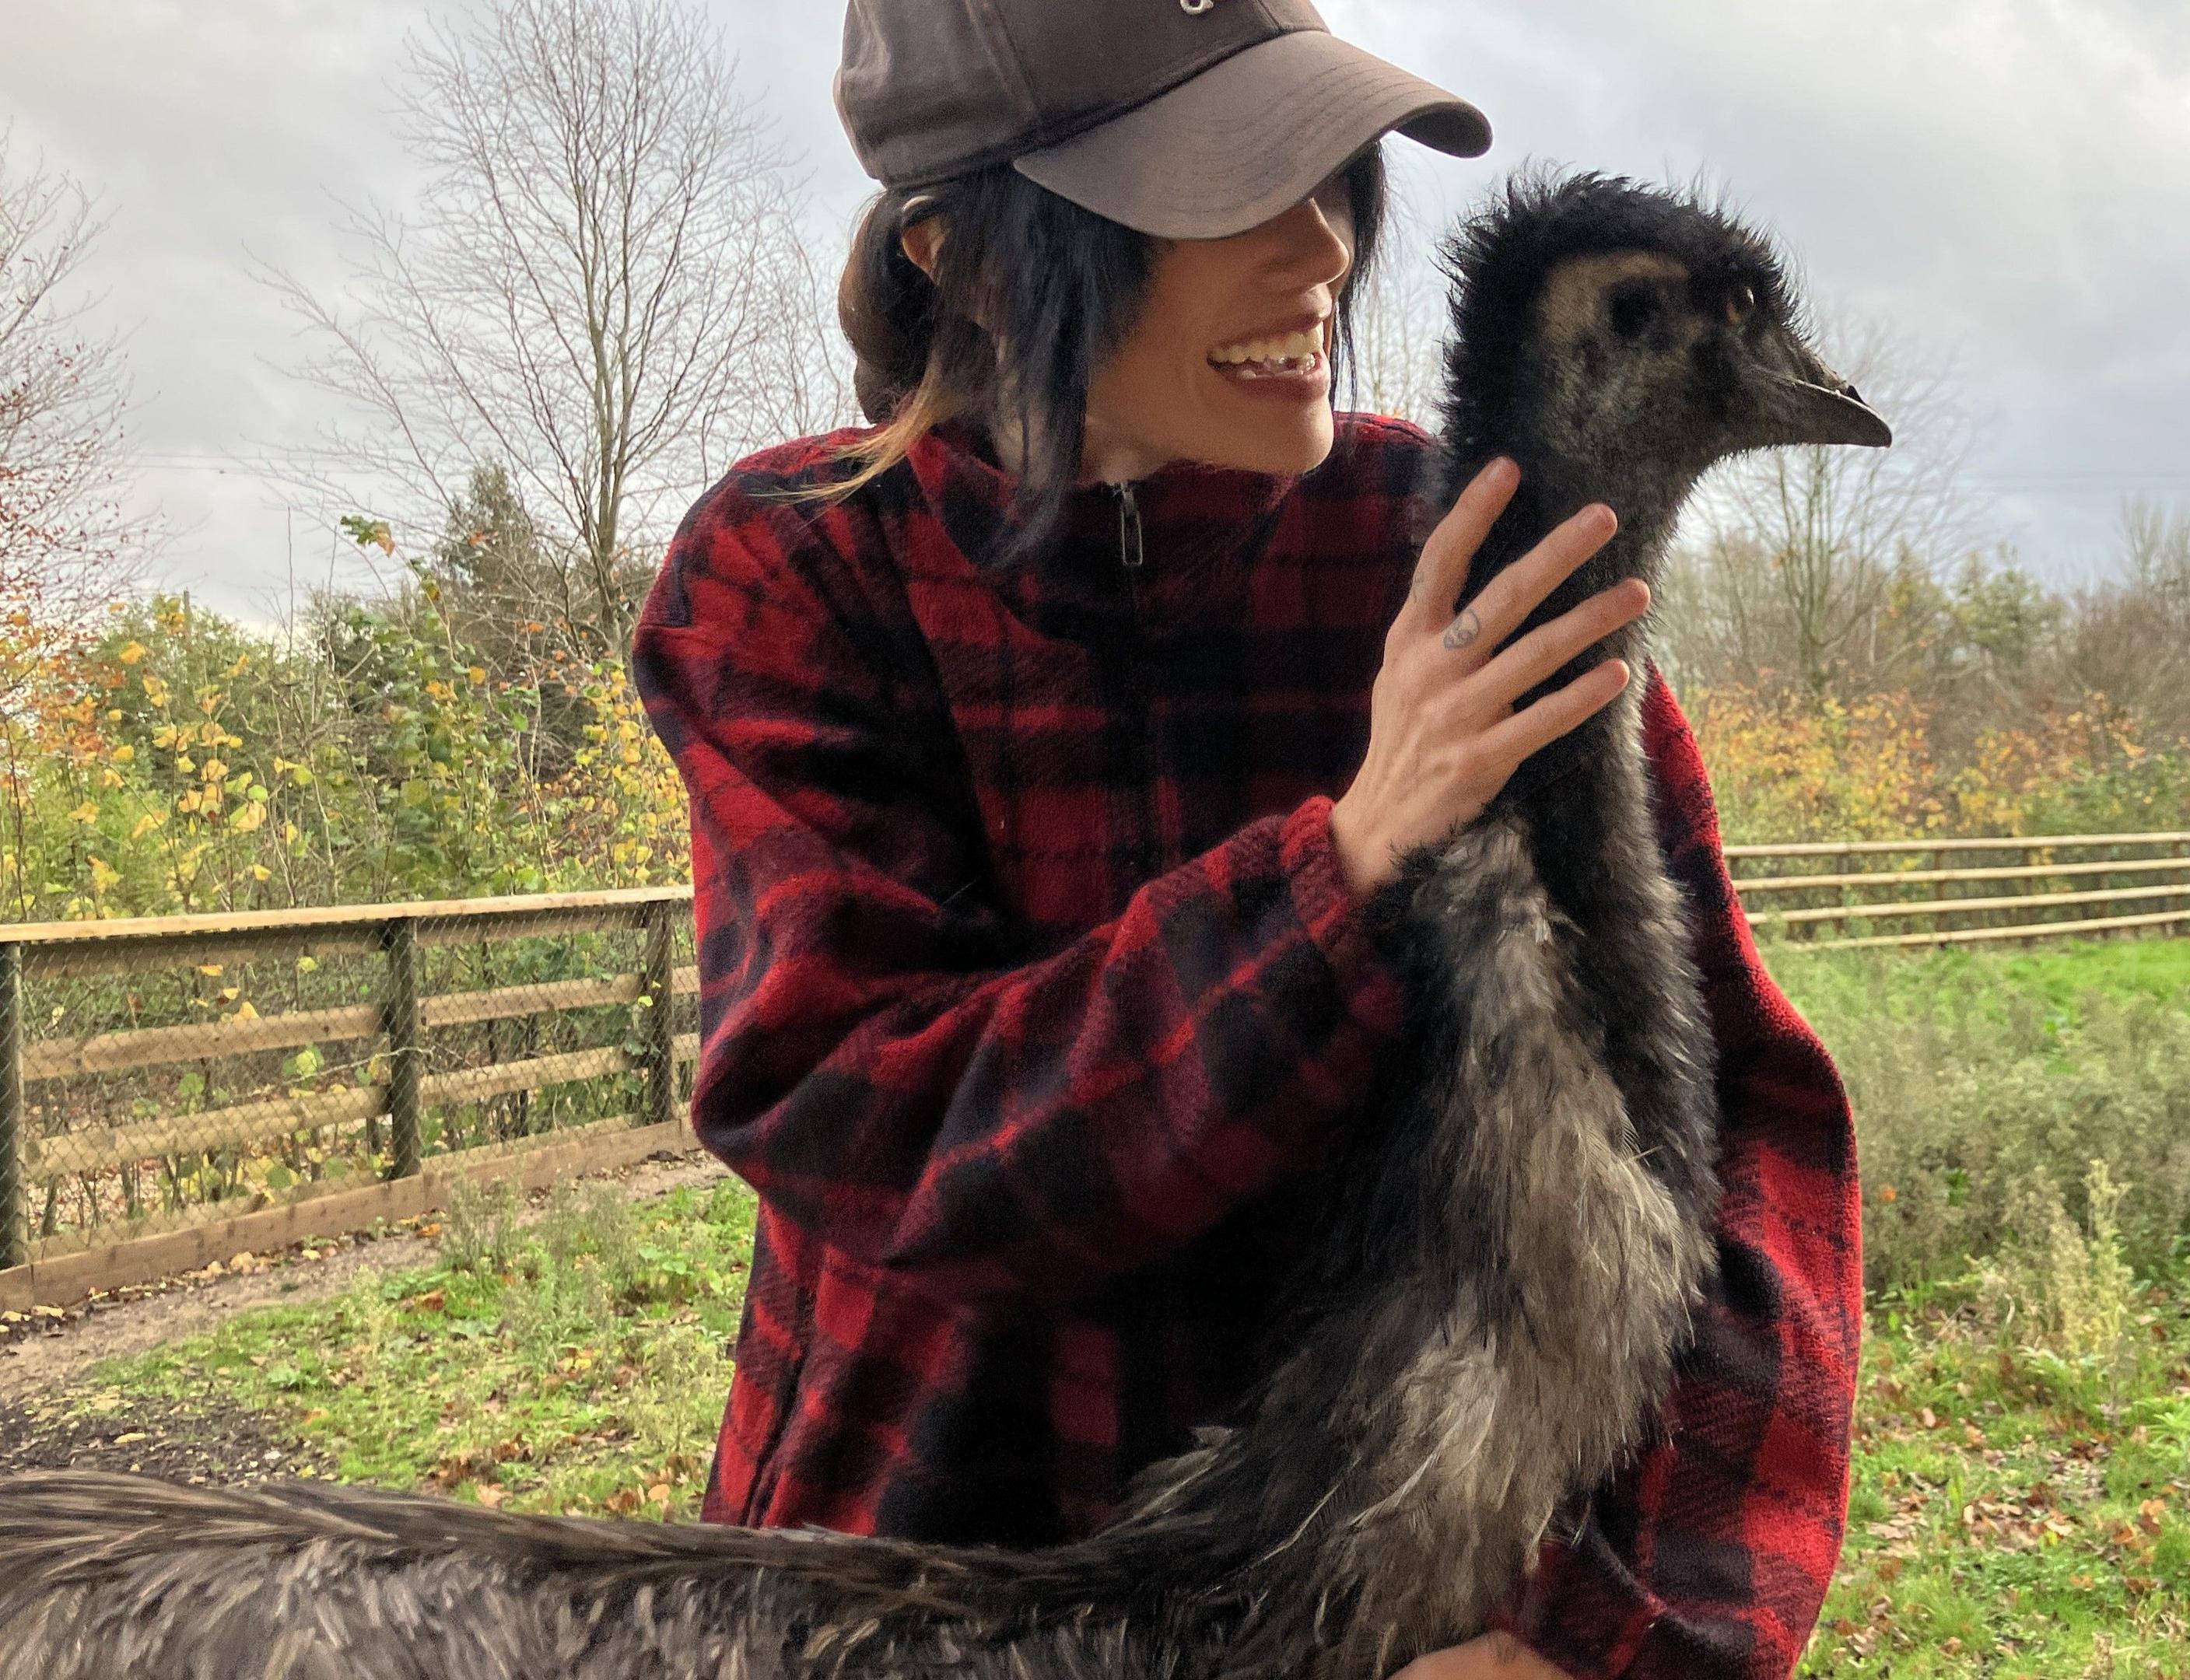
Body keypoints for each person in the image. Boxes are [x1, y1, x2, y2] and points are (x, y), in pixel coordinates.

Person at [627, 6, 1862, 1680]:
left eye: (1331, 177)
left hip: (1386, 1609)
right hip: (911, 1586)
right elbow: (870, 1121)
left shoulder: (1446, 538)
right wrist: (1345, 864)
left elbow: (1740, 1129)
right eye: (1215, 194)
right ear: (966, 257)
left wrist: (1620, 1634)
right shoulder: (797, 571)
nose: (1320, 255)